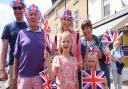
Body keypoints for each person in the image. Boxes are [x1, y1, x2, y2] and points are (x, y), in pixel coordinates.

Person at [13, 4, 45, 89]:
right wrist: (15, 78)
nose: (33, 16)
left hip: (40, 77)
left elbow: (48, 53)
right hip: (23, 78)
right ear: (27, 17)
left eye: (35, 14)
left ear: (39, 17)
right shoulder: (21, 33)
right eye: (30, 14)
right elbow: (16, 57)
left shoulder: (44, 33)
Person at [0, 0, 27, 88]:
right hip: (12, 65)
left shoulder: (29, 26)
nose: (17, 10)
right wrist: (2, 70)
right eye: (15, 8)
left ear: (24, 8)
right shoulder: (8, 27)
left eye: (20, 8)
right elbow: (4, 50)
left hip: (28, 65)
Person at [80, 19, 111, 89]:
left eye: (87, 28)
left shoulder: (99, 41)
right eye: (83, 29)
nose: (85, 31)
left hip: (101, 75)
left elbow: (109, 59)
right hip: (88, 77)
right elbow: (80, 61)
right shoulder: (81, 43)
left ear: (91, 28)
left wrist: (101, 57)